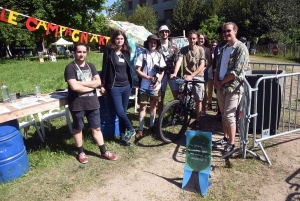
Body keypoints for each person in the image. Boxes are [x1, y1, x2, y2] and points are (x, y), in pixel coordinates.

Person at [64, 43, 117, 164]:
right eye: (79, 52)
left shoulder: (91, 66)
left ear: (86, 53)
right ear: (74, 53)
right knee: (78, 128)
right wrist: (90, 86)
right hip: (77, 103)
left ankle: (103, 151)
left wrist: (81, 84)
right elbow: (74, 87)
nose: (81, 54)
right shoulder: (70, 67)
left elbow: (97, 82)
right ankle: (80, 152)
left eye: (84, 52)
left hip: (92, 103)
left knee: (97, 127)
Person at [214, 22, 249, 157]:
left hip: (234, 87)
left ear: (235, 31)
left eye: (228, 31)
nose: (225, 33)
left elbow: (236, 72)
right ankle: (225, 138)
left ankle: (232, 143)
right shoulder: (223, 49)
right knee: (223, 115)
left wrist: (221, 82)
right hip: (221, 86)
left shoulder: (241, 48)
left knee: (229, 116)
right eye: (223, 31)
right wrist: (217, 81)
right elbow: (217, 68)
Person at [100, 30, 136, 146]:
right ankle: (131, 129)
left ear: (124, 40)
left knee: (123, 112)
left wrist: (132, 83)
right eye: (117, 38)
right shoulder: (109, 51)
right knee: (119, 112)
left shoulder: (126, 52)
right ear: (114, 39)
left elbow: (128, 69)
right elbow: (104, 68)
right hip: (114, 86)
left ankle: (122, 138)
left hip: (126, 86)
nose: (119, 40)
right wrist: (103, 84)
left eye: (121, 38)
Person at [170, 30, 205, 130]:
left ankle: (197, 121)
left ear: (197, 39)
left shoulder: (201, 50)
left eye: (194, 38)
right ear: (188, 39)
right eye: (190, 38)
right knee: (181, 95)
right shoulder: (183, 50)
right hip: (186, 76)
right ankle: (181, 113)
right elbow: (179, 61)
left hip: (198, 76)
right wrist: (175, 73)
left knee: (198, 99)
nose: (192, 40)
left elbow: (202, 65)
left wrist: (192, 75)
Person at [135, 34, 166, 139]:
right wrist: (148, 77)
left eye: (155, 42)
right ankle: (140, 128)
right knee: (143, 106)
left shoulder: (159, 55)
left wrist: (158, 81)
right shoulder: (142, 55)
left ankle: (152, 125)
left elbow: (162, 71)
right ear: (148, 43)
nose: (153, 44)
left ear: (157, 44)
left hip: (156, 86)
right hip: (144, 85)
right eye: (151, 42)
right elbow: (137, 70)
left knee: (153, 105)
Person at [157, 25, 179, 117]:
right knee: (160, 96)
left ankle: (178, 113)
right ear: (160, 33)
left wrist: (176, 73)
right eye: (162, 32)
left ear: (168, 33)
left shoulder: (174, 46)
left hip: (171, 72)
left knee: (176, 94)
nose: (164, 33)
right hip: (161, 73)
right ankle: (160, 116)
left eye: (166, 31)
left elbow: (178, 60)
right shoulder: (157, 46)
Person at [197, 33, 212, 117]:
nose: (201, 40)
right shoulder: (195, 48)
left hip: (203, 72)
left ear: (205, 40)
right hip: (195, 72)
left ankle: (203, 109)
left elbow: (210, 62)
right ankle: (197, 108)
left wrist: (205, 68)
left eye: (202, 38)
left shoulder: (207, 49)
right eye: (199, 38)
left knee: (203, 91)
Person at [207, 39, 218, 111]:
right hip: (210, 73)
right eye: (212, 45)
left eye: (215, 45)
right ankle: (209, 104)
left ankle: (218, 105)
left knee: (217, 91)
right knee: (210, 90)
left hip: (216, 74)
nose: (214, 46)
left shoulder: (219, 53)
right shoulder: (209, 53)